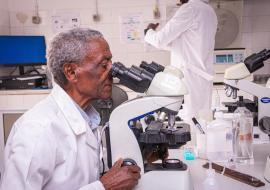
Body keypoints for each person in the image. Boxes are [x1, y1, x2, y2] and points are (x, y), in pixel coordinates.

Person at [0, 28, 140, 190]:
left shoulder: (86, 116)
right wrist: (103, 187)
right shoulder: (38, 130)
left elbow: (78, 170)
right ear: (71, 72)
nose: (113, 72)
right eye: (104, 65)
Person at [144, 0, 217, 119]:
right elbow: (178, 45)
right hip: (202, 79)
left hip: (189, 78)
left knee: (192, 122)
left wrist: (148, 32)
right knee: (202, 121)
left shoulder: (190, 9)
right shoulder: (209, 11)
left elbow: (159, 40)